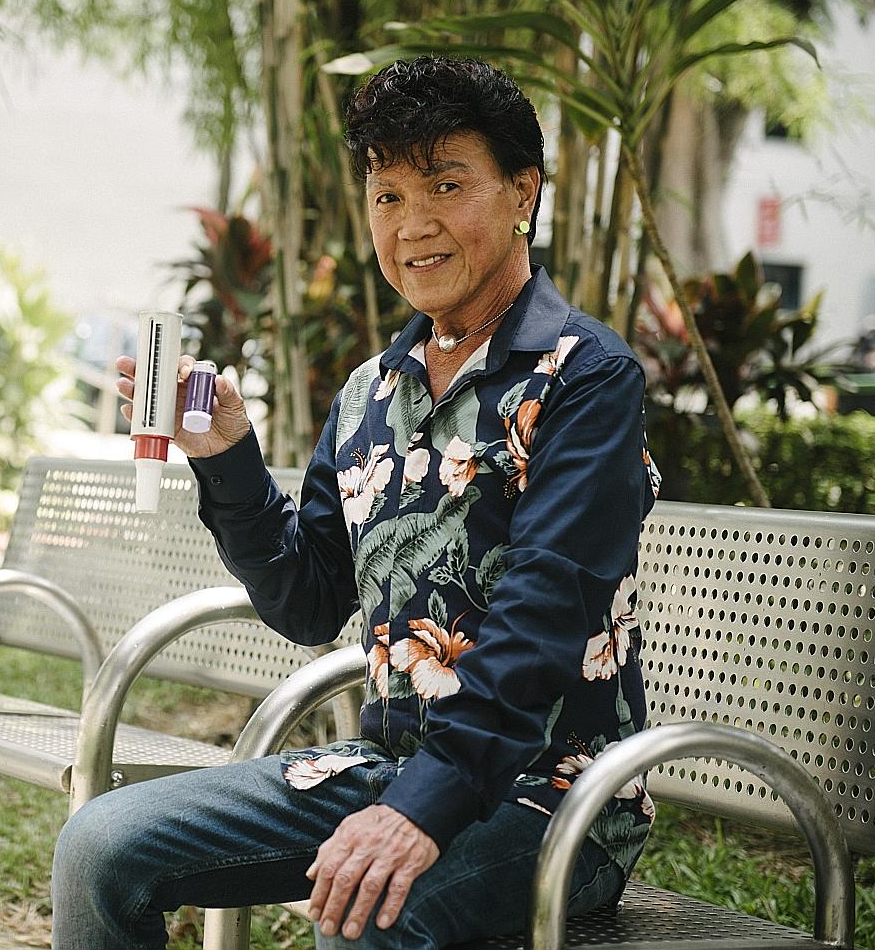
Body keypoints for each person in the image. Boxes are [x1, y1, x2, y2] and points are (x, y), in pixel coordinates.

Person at [51, 55, 659, 949]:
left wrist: (419, 810)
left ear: (523, 191)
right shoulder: (373, 390)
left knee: (368, 912)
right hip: (385, 764)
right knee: (98, 844)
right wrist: (227, 457)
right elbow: (308, 601)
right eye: (387, 197)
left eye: (445, 185)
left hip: (550, 798)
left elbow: (543, 622)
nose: (414, 226)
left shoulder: (586, 378)